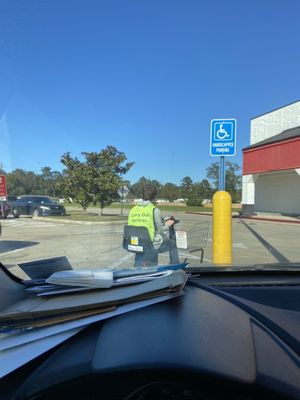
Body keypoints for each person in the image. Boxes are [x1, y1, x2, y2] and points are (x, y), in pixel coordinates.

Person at [127, 184, 179, 266]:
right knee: (172, 244)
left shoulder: (133, 209)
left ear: (141, 195)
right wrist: (167, 225)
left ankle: (138, 268)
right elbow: (160, 231)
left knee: (149, 242)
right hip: (150, 245)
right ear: (154, 197)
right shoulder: (154, 210)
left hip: (135, 243)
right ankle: (175, 265)